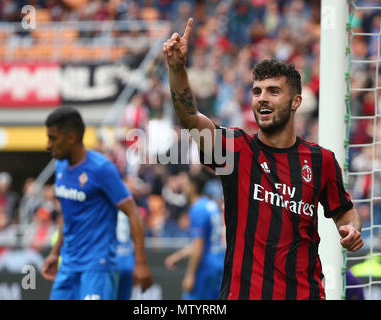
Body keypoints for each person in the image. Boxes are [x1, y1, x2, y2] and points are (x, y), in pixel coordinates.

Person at [163, 18, 363, 300]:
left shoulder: (321, 161)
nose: (261, 98)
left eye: (273, 91)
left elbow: (344, 209)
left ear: (296, 102)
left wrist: (352, 227)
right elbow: (189, 118)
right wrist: (177, 69)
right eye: (257, 91)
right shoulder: (234, 149)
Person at [41, 107, 152, 300]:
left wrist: (140, 263)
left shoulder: (101, 169)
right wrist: (55, 253)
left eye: (53, 138)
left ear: (71, 137)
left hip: (98, 267)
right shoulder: (60, 168)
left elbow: (133, 213)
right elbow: (67, 216)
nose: (48, 145)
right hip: (68, 265)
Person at [164, 172, 225, 300]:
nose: (183, 186)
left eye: (185, 183)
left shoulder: (198, 209)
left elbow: (198, 245)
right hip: (218, 264)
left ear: (193, 187)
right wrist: (178, 256)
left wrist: (190, 275)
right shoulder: (212, 205)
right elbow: (205, 241)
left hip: (205, 268)